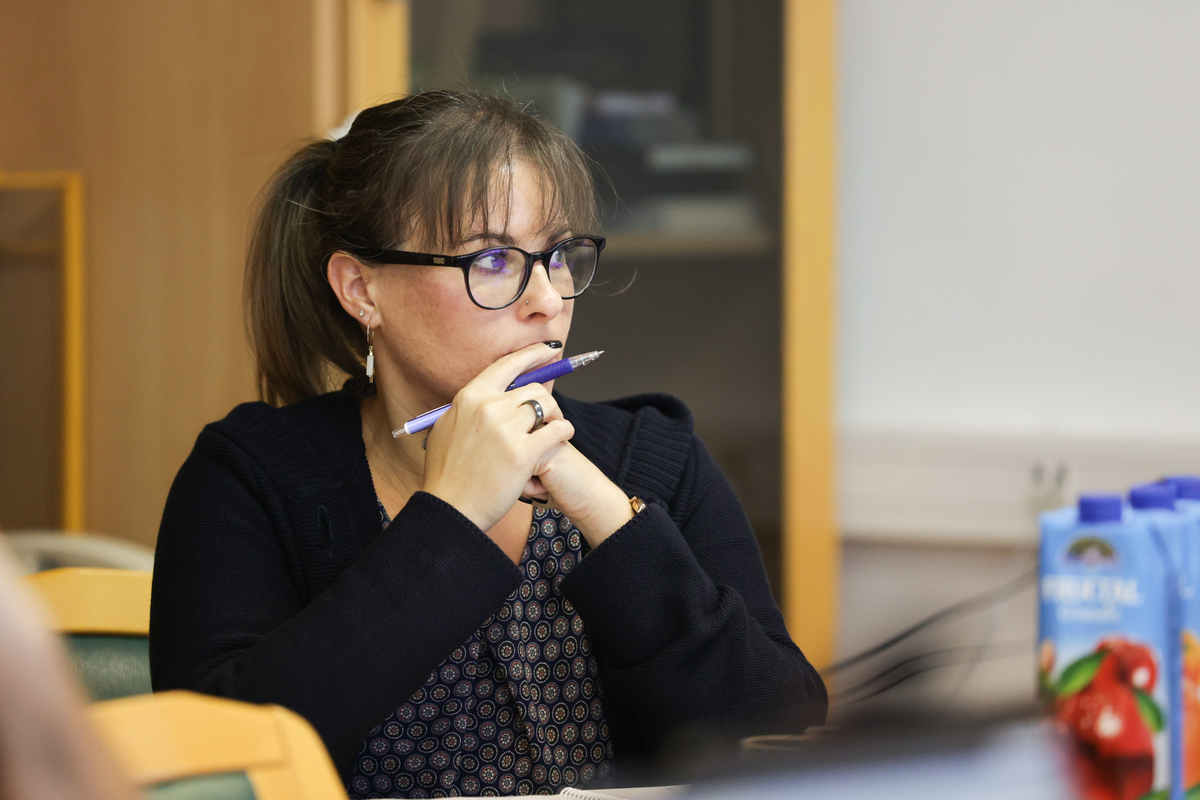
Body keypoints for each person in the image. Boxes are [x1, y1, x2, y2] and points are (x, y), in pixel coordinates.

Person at [149, 89, 826, 798]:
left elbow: (782, 737)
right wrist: (452, 516)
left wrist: (608, 517)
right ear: (361, 289)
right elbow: (219, 767)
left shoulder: (655, 455)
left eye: (558, 255)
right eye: (494, 260)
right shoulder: (250, 474)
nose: (550, 300)